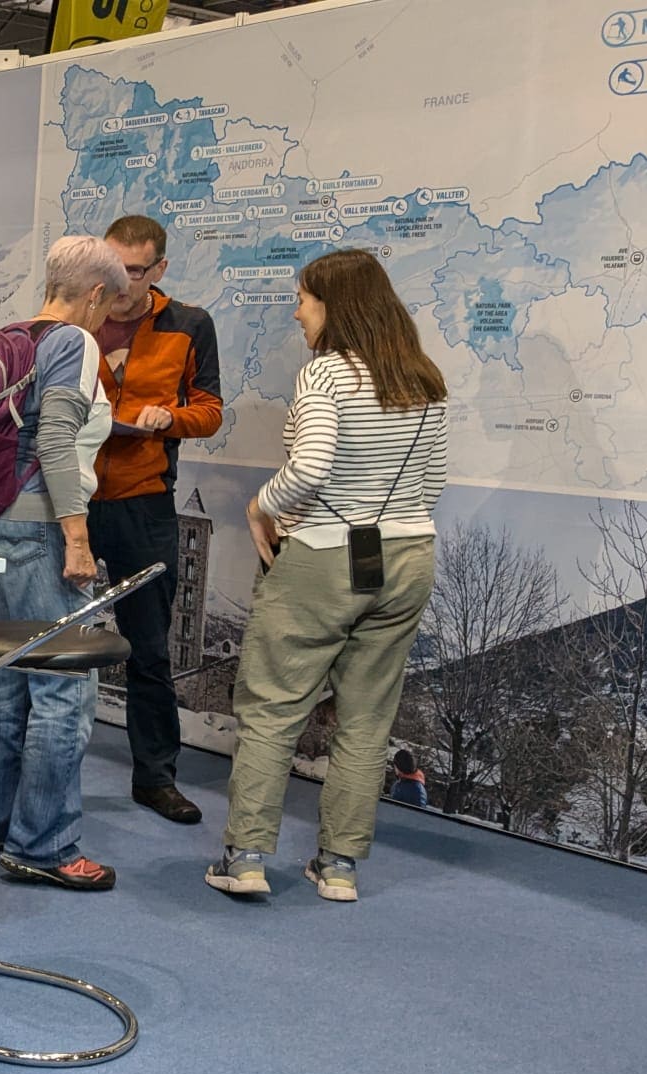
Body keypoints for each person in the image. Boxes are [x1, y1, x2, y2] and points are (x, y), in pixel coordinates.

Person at [206, 248, 448, 903]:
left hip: (322, 557)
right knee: (368, 721)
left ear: (335, 306)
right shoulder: (423, 379)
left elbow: (310, 470)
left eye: (305, 298)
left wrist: (261, 504)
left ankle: (247, 858)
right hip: (409, 557)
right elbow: (432, 485)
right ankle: (339, 868)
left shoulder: (326, 376)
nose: (296, 309)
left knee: (273, 711)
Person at [0, 236, 125, 891]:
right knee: (64, 686)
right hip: (40, 529)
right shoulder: (75, 344)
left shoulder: (8, 336)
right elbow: (56, 439)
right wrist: (77, 536)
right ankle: (45, 844)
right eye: (108, 303)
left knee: (8, 672)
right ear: (93, 293)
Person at [91, 215, 226, 825]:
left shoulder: (190, 325)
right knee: (38, 634)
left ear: (160, 269)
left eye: (134, 271)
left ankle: (155, 778)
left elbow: (210, 411)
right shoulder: (78, 318)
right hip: (68, 497)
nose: (120, 282)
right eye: (112, 269)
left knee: (148, 648)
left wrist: (167, 418)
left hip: (144, 502)